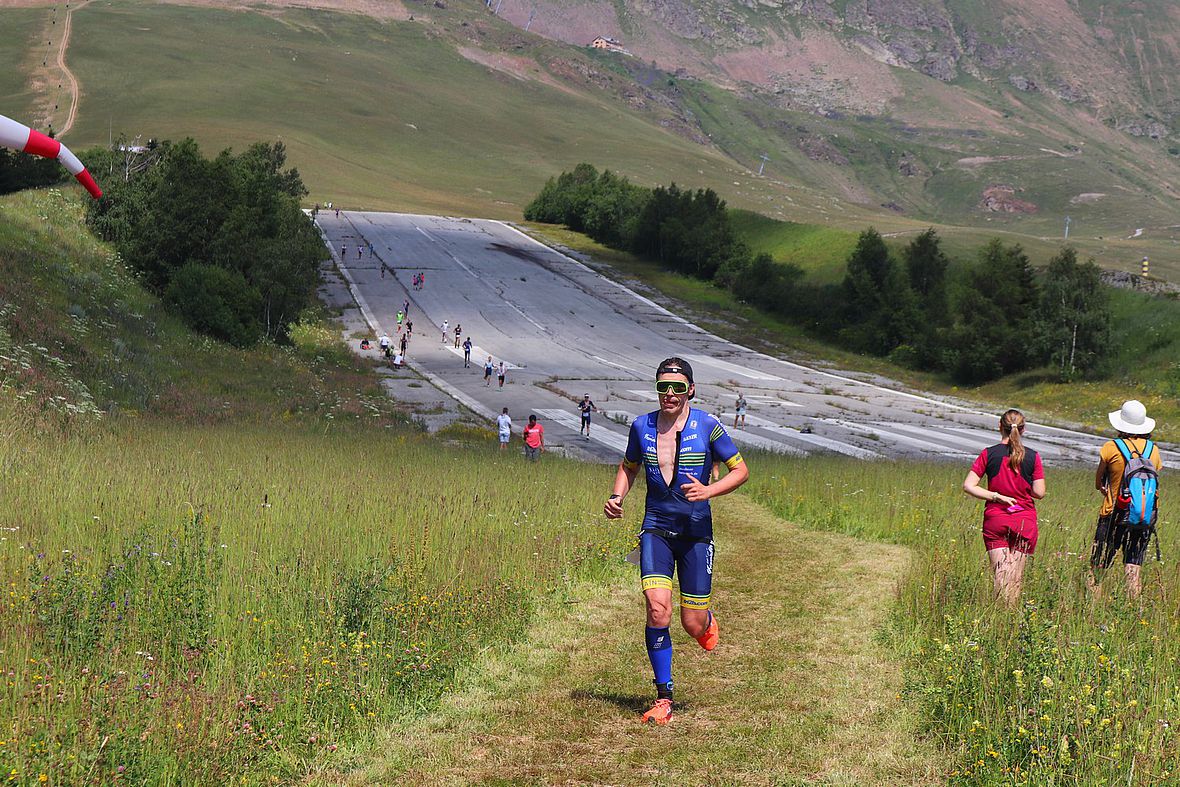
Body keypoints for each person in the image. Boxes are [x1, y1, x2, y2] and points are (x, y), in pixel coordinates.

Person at [603, 357, 749, 726]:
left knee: (691, 623)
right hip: (656, 530)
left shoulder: (709, 427)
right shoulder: (641, 426)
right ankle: (663, 696)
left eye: (678, 388)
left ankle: (705, 622)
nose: (669, 394)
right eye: (663, 387)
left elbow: (741, 471)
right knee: (657, 610)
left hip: (696, 534)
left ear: (691, 390)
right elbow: (629, 466)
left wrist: (709, 490)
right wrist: (617, 496)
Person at [962, 409, 1046, 606]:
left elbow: (969, 485)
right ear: (1023, 430)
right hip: (1024, 520)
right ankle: (1011, 618)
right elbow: (1039, 492)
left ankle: (999, 614)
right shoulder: (1033, 456)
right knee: (1015, 577)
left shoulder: (988, 453)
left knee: (1001, 575)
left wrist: (996, 496)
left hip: (996, 518)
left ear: (1000, 427)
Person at [1088, 400, 1162, 599]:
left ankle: (1093, 608)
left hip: (1114, 512)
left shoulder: (1111, 447)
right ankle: (1133, 607)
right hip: (1142, 517)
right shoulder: (1152, 450)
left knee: (1099, 565)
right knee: (1133, 566)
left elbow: (1099, 483)